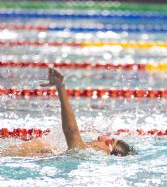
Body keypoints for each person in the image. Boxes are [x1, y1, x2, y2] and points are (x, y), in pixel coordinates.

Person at [2, 67, 132, 157]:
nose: (102, 137)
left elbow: (72, 132)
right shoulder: (80, 151)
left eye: (109, 142)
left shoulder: (82, 151)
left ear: (108, 154)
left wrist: (60, 87)